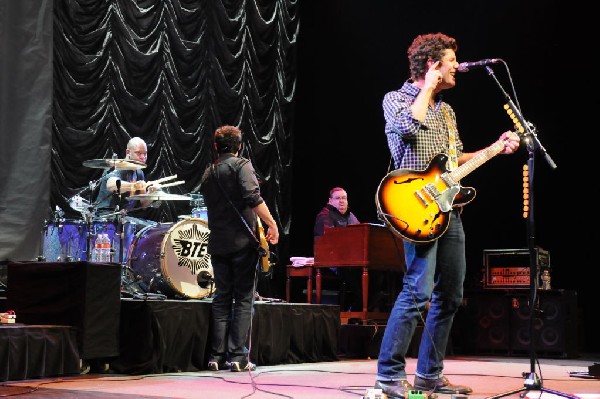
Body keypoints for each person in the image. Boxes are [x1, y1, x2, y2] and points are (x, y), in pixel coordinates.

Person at [374, 33, 520, 398]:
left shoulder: (448, 111)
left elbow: (453, 163)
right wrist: (428, 86)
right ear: (432, 64)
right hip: (414, 207)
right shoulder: (396, 99)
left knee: (451, 296)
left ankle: (429, 375)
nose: (458, 67)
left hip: (450, 212)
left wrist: (494, 149)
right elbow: (407, 128)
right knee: (417, 290)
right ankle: (389, 375)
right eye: (452, 61)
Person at [200, 125, 279, 372]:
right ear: (239, 146)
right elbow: (253, 197)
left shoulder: (208, 172)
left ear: (216, 146)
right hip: (242, 244)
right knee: (243, 299)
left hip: (218, 244)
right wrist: (272, 223)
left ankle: (215, 357)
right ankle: (238, 357)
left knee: (222, 298)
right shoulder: (241, 165)